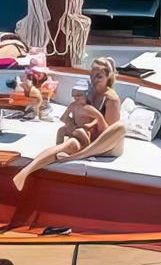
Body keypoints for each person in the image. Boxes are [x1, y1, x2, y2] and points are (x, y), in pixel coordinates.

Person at [14, 59, 125, 190]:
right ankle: (26, 171)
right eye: (92, 75)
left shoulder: (111, 99)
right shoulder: (90, 92)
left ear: (108, 77)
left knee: (120, 127)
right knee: (68, 144)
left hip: (105, 145)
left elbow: (106, 133)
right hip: (88, 136)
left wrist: (92, 122)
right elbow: (78, 115)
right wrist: (73, 125)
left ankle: (76, 156)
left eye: (99, 77)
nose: (94, 80)